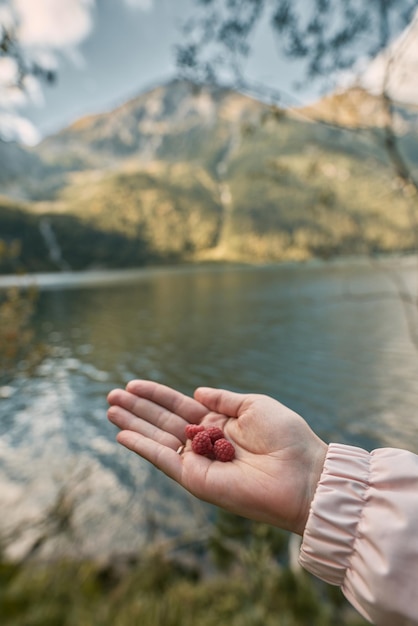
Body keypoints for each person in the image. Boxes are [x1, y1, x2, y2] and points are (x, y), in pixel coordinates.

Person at [107, 379, 418, 626]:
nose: (206, 439)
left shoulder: (214, 441)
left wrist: (314, 477)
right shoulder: (211, 439)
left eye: (205, 438)